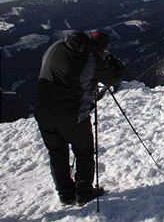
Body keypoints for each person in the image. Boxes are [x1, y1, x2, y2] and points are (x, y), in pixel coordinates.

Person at [34, 30, 125, 206]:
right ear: (100, 47)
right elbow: (115, 77)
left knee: (57, 154)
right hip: (72, 115)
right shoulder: (92, 58)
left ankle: (65, 194)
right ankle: (83, 193)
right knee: (84, 152)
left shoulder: (56, 46)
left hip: (42, 111)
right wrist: (108, 59)